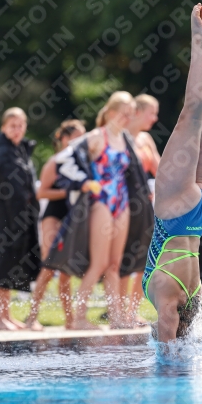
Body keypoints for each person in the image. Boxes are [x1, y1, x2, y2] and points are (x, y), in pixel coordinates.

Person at [142, 3, 202, 343]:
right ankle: (200, 42)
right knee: (193, 113)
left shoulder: (193, 299)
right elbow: (166, 343)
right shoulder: (166, 301)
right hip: (175, 215)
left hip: (200, 215)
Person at [54, 91, 135, 329]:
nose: (128, 119)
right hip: (101, 202)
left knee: (114, 265)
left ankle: (116, 317)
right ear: (110, 113)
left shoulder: (125, 138)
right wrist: (83, 181)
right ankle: (79, 318)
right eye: (124, 114)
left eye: (131, 115)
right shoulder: (96, 137)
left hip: (122, 202)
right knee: (98, 263)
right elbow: (64, 159)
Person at [26, 120, 86, 331]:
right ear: (64, 139)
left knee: (67, 272)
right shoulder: (55, 161)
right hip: (54, 216)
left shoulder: (82, 163)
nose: (83, 140)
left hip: (73, 219)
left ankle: (70, 321)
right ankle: (31, 317)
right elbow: (41, 193)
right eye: (78, 136)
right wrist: (71, 191)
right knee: (49, 267)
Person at [0, 108, 41, 330]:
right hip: (1, 217)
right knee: (0, 265)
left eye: (21, 125)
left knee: (9, 265)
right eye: (12, 125)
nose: (17, 129)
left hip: (18, 218)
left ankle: (5, 314)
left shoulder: (20, 150)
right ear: (3, 127)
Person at [119, 94, 160, 326]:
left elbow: (159, 167)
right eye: (151, 112)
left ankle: (131, 311)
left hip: (144, 205)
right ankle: (119, 310)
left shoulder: (145, 139)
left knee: (143, 259)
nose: (155, 118)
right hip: (123, 205)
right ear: (138, 112)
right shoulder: (120, 137)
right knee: (124, 259)